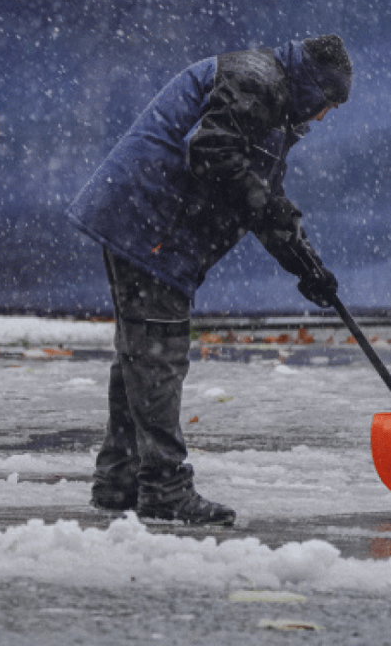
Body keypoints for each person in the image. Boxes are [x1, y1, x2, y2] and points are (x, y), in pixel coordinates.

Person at [66, 35, 353, 525]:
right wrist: (263, 203)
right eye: (327, 103)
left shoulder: (269, 102)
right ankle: (163, 488)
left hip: (143, 221)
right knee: (158, 356)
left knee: (141, 355)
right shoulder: (256, 82)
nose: (323, 117)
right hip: (150, 224)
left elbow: (262, 201)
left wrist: (309, 269)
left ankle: (120, 478)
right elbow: (212, 149)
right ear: (312, 86)